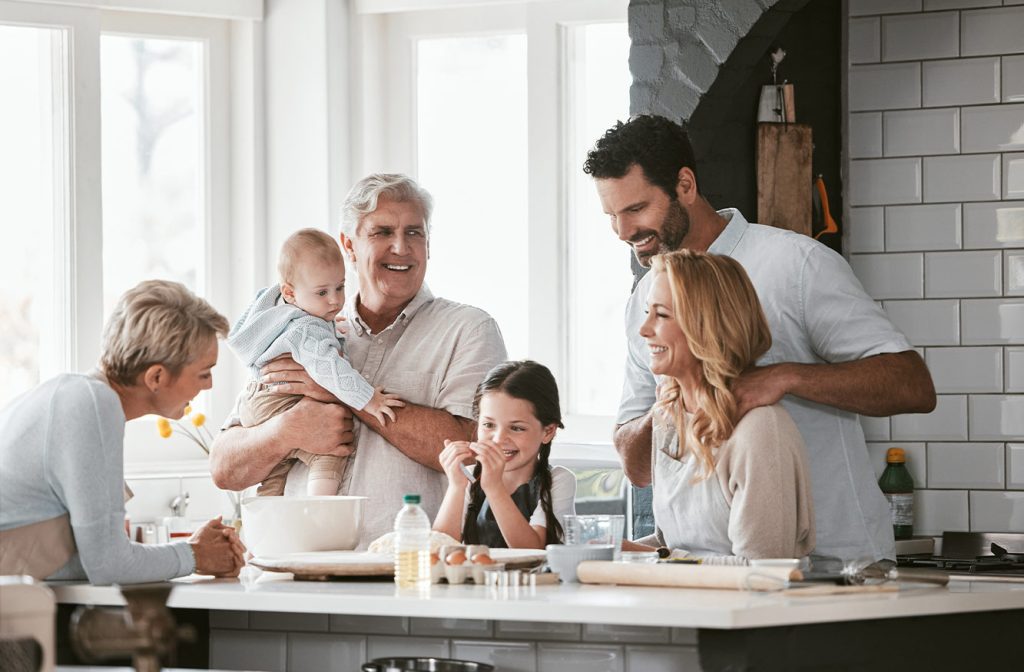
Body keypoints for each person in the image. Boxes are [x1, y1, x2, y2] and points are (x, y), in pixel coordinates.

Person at [584, 115, 936, 562]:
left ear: (685, 185)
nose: (623, 232)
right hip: (713, 576)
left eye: (635, 209)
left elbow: (913, 385)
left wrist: (784, 377)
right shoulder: (645, 301)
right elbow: (637, 468)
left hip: (839, 565)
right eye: (611, 216)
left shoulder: (796, 265)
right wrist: (679, 396)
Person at [210, 174, 507, 546]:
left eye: (414, 233)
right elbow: (223, 467)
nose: (401, 247)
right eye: (382, 232)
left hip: (409, 571)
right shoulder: (300, 329)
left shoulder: (469, 330)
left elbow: (472, 452)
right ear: (348, 246)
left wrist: (341, 392)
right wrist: (287, 429)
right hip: (294, 566)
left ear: (429, 245)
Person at [0, 280, 246, 584]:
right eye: (204, 373)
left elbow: (89, 563)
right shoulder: (93, 403)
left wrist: (189, 552)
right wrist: (194, 555)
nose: (209, 385)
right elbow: (108, 567)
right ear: (156, 376)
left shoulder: (74, 396)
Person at [638, 250, 814, 563]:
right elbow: (670, 543)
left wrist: (657, 559)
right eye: (647, 312)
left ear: (705, 326)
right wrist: (603, 551)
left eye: (661, 315)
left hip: (743, 611)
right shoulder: (669, 415)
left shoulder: (761, 430)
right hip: (683, 610)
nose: (644, 329)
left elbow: (763, 571)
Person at [227, 228, 403, 497]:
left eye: (340, 287)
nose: (334, 300)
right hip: (279, 403)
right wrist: (370, 400)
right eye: (322, 293)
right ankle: (320, 504)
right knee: (331, 453)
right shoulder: (307, 329)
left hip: (258, 403)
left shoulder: (285, 317)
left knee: (276, 471)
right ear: (290, 293)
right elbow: (329, 369)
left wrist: (330, 326)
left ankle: (268, 509)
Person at [433, 360, 577, 549]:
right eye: (489, 425)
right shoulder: (468, 478)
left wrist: (494, 488)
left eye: (516, 428)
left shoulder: (558, 481)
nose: (499, 439)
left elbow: (532, 550)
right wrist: (456, 487)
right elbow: (439, 547)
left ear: (548, 431)